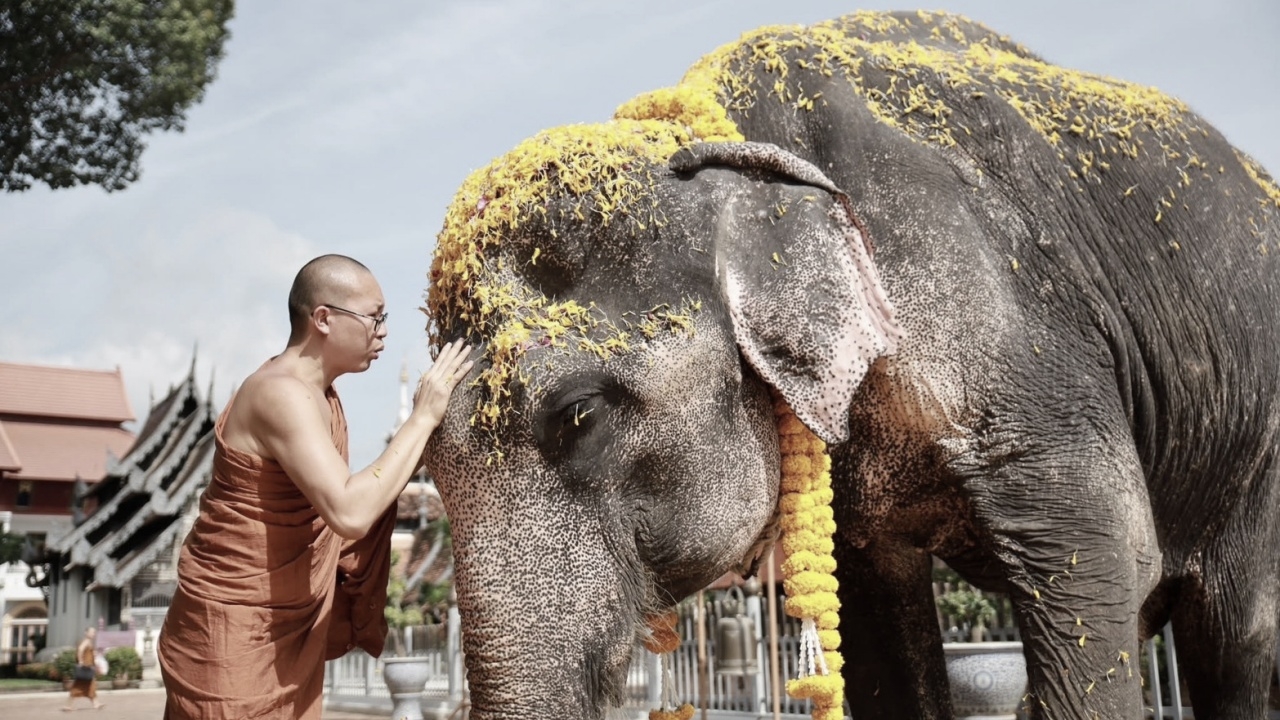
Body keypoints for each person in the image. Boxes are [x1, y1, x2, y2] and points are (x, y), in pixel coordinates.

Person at [158, 254, 472, 719]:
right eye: (375, 317)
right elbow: (348, 511)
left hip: (287, 628)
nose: (383, 331)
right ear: (323, 318)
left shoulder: (321, 395)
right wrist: (422, 417)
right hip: (233, 628)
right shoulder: (279, 393)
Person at [63, 627, 104, 711]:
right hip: (85, 667)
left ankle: (96, 704)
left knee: (91, 686)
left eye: (94, 632)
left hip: (88, 667)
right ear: (86, 633)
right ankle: (68, 705)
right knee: (77, 687)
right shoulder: (86, 641)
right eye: (92, 632)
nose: (93, 634)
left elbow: (88, 652)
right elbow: (80, 650)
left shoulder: (89, 642)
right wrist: (80, 661)